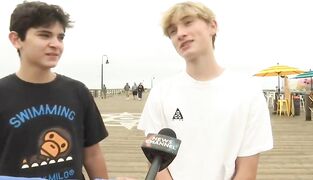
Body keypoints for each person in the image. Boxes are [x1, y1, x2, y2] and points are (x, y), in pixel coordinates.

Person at [137, 2, 273, 179]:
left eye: (188, 22)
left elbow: (247, 170)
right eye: (172, 31)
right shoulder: (161, 93)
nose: (180, 33)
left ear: (212, 26)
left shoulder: (248, 91)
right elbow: (157, 165)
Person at [0, 1, 109, 179]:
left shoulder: (77, 91)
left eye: (60, 37)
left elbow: (92, 154)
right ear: (16, 39)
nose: (56, 44)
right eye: (45, 35)